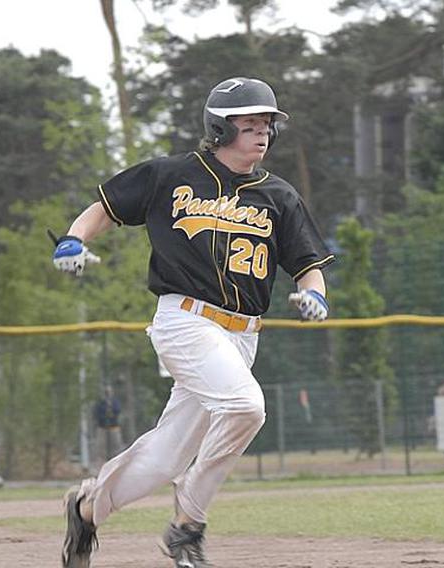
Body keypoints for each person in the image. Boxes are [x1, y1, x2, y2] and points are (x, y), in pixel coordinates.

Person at [53, 77, 334, 568]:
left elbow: (308, 265)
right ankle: (188, 526)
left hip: (242, 335)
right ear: (220, 129)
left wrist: (316, 297)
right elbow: (104, 209)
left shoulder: (279, 196)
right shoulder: (172, 174)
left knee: (163, 459)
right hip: (185, 321)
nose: (262, 134)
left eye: (267, 124)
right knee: (247, 407)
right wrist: (74, 240)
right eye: (249, 125)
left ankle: (87, 508)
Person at [94, 385, 124, 465]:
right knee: (101, 448)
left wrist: (111, 411)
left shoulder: (115, 402)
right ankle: (101, 464)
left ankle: (116, 464)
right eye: (106, 392)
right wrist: (104, 416)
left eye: (109, 392)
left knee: (116, 446)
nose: (108, 394)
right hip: (102, 427)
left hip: (114, 427)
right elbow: (97, 413)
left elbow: (117, 411)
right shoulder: (100, 403)